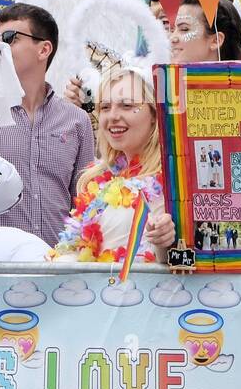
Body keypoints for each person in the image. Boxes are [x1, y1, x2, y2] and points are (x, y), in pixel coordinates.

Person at [0, 3, 95, 245]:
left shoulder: (76, 120)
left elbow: (85, 202)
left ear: (44, 49)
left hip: (58, 266)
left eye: (9, 38)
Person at [49, 67, 176, 262]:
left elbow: (180, 259)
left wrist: (164, 244)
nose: (113, 116)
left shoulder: (174, 180)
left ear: (154, 113)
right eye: (105, 107)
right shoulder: (97, 180)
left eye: (126, 105)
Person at [168, 0, 241, 63]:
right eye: (172, 30)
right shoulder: (162, 79)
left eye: (184, 29)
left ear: (216, 40)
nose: (172, 38)